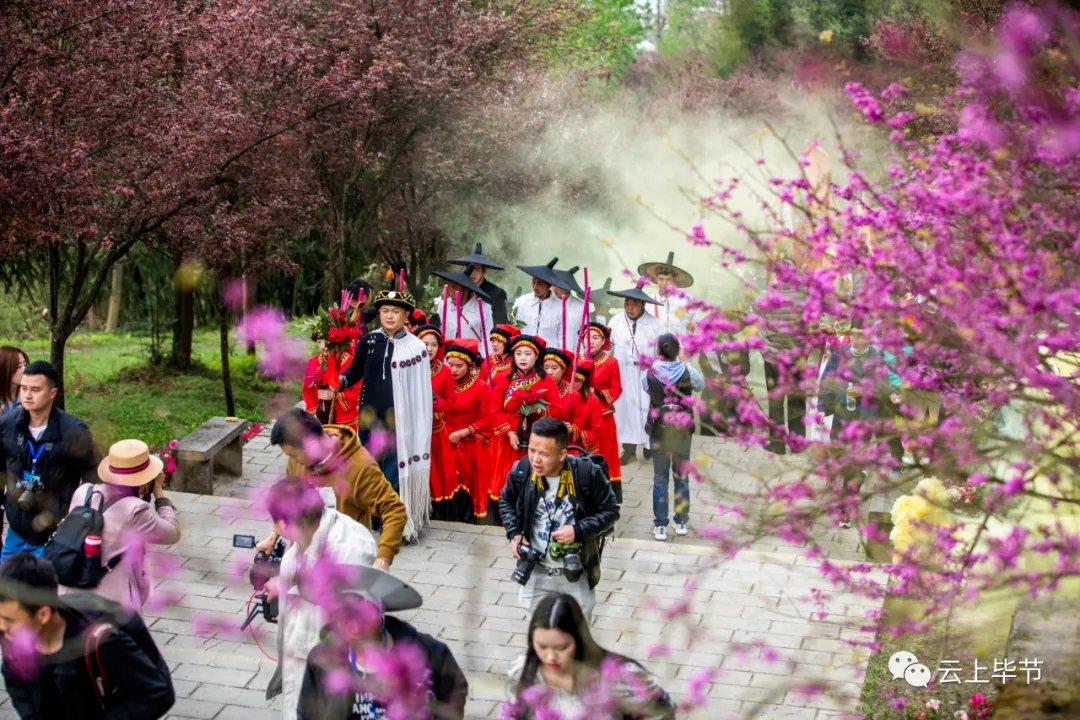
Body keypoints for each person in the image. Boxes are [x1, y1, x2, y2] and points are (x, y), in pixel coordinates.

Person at [0, 553, 175, 719]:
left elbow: (157, 693)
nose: (2, 626)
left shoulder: (102, 641)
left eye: (9, 620)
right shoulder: (13, 637)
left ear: (43, 615)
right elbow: (16, 682)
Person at [263, 477, 380, 720]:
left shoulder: (349, 545)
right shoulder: (303, 537)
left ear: (285, 524)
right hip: (300, 654)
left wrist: (292, 588)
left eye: (275, 523)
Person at [298, 573, 467, 720]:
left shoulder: (429, 652)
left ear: (379, 613)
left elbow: (454, 694)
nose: (353, 626)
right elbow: (306, 712)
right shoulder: (321, 659)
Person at [498, 418, 619, 622]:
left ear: (562, 454)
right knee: (539, 634)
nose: (535, 459)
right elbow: (505, 500)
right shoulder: (522, 469)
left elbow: (611, 512)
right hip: (535, 570)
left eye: (544, 454)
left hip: (575, 571)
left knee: (577, 634)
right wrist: (514, 534)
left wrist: (578, 531)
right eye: (532, 450)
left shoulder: (587, 473)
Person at [339, 288, 433, 542]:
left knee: (392, 475)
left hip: (398, 424)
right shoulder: (368, 342)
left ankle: (394, 526)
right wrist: (341, 380)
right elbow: (355, 371)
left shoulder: (416, 348)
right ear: (379, 313)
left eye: (395, 311)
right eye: (385, 311)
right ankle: (374, 520)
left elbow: (420, 391)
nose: (390, 316)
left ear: (406, 316)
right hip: (369, 419)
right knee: (370, 472)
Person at [263, 408, 405, 570]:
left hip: (347, 563)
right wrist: (273, 536)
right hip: (303, 562)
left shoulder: (360, 467)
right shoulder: (297, 463)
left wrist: (382, 559)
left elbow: (394, 510)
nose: (292, 460)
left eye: (293, 455)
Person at [506, 593, 674, 720]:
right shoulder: (523, 671)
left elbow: (662, 711)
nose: (550, 657)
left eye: (561, 648)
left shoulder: (619, 676)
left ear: (579, 640)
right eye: (541, 647)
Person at [61, 440, 180, 611]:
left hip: (67, 590)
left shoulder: (84, 491)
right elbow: (172, 533)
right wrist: (159, 493)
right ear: (145, 482)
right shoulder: (135, 509)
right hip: (110, 604)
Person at [1, 360, 99, 561]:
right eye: (23, 388)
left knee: (46, 581)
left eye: (35, 390)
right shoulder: (8, 425)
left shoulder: (74, 431)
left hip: (55, 536)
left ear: (52, 393)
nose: (27, 395)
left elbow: (95, 477)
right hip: (16, 531)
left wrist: (79, 521)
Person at [819, 322, 903, 527]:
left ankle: (845, 507)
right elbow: (827, 381)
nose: (858, 340)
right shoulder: (839, 354)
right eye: (854, 335)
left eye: (862, 336)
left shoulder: (876, 358)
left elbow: (883, 387)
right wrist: (822, 407)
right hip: (841, 418)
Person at [487, 335, 564, 525]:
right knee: (507, 475)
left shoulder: (546, 381)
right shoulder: (503, 378)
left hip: (536, 440)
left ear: (536, 356)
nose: (522, 358)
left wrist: (539, 410)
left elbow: (558, 409)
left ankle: (534, 516)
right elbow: (494, 409)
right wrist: (508, 432)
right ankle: (505, 517)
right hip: (509, 439)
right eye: (518, 353)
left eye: (528, 354)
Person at [644, 334, 704, 542]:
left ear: (658, 351)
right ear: (678, 350)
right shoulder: (688, 371)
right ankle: (680, 521)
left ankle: (660, 525)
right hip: (682, 431)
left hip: (659, 430)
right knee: (681, 476)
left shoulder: (650, 372)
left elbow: (646, 388)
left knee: (660, 478)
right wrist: (686, 363)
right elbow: (700, 385)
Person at [754, 258, 810, 455]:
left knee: (776, 402)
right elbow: (811, 325)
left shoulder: (767, 296)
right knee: (797, 400)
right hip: (797, 358)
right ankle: (798, 443)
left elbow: (757, 318)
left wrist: (765, 349)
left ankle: (777, 445)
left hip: (773, 357)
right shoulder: (804, 296)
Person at [607, 287, 663, 466]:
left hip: (646, 374)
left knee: (646, 409)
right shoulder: (616, 321)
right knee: (625, 411)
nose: (630, 308)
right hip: (622, 372)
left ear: (643, 305)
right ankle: (629, 449)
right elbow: (608, 346)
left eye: (634, 305)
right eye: (627, 304)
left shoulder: (655, 324)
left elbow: (661, 351)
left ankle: (648, 445)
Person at [418, 324, 468, 522]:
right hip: (414, 430)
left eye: (434, 344)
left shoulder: (445, 371)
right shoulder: (408, 367)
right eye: (425, 344)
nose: (429, 348)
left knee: (438, 472)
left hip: (436, 431)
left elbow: (451, 400)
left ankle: (437, 514)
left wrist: (436, 402)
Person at [443, 339, 493, 522]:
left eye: (459, 366)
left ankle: (467, 520)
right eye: (450, 365)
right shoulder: (442, 384)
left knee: (469, 485)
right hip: (445, 442)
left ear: (469, 366)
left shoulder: (480, 387)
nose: (453, 370)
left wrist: (462, 433)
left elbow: (487, 419)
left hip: (470, 445)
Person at [583, 322, 624, 503]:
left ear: (603, 341)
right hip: (582, 417)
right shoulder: (577, 361)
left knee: (604, 455)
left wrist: (598, 393)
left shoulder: (611, 362)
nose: (590, 341)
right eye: (587, 337)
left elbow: (616, 389)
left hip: (603, 416)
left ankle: (605, 498)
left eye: (595, 338)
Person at [512, 258, 572, 350]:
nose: (535, 287)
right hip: (525, 351)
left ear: (549, 285)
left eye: (539, 283)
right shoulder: (521, 302)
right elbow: (514, 329)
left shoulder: (561, 307)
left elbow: (563, 337)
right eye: (533, 282)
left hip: (549, 353)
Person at [432, 270, 494, 358]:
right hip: (447, 358)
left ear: (466, 289)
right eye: (449, 287)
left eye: (454, 288)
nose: (450, 293)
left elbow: (487, 338)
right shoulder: (444, 305)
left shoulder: (483, 308)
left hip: (472, 359)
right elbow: (438, 333)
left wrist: (482, 360)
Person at [448, 242, 509, 325]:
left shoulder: (496, 294)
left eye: (477, 269)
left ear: (484, 270)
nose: (473, 273)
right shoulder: (462, 289)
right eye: (470, 269)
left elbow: (500, 323)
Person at [637, 252, 695, 336]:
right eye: (661, 279)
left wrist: (692, 328)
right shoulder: (648, 301)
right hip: (655, 343)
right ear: (656, 279)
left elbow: (695, 325)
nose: (664, 283)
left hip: (678, 343)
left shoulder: (686, 300)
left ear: (674, 280)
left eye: (668, 279)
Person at [564, 359, 604, 454]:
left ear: (584, 381)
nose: (571, 384)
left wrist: (574, 431)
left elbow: (596, 432)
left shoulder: (593, 400)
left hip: (582, 449)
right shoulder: (560, 394)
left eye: (576, 380)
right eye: (569, 379)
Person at [552, 265, 587, 353]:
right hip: (551, 353)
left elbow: (586, 332)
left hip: (574, 352)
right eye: (553, 284)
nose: (555, 288)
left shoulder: (580, 306)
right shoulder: (546, 303)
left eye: (559, 285)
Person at [0, 346, 28, 416]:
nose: (25, 369)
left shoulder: (28, 396)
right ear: (4, 369)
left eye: (25, 365)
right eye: (19, 366)